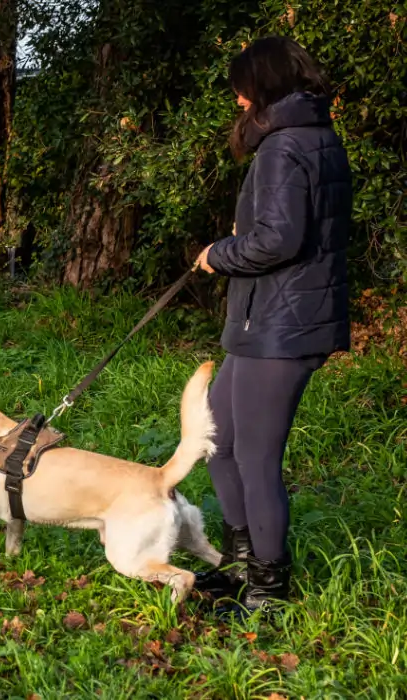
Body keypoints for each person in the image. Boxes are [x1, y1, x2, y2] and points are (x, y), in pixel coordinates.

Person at [192, 36, 351, 613]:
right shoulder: (313, 137)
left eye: (241, 88)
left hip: (283, 325)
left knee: (256, 460)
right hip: (267, 319)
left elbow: (280, 240)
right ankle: (239, 562)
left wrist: (219, 254)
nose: (237, 101)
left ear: (261, 85)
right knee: (219, 443)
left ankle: (267, 589)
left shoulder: (286, 147)